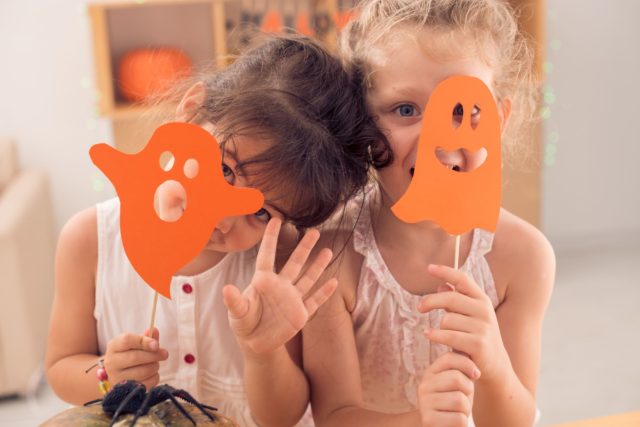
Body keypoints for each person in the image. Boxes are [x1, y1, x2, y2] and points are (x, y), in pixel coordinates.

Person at [45, 34, 390, 427]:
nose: (223, 219)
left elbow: (280, 417)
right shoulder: (90, 239)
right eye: (225, 171)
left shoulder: (279, 267)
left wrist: (263, 351)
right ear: (191, 112)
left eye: (260, 212)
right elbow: (60, 367)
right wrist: (108, 373)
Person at [240, 1, 555, 426]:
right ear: (364, 126)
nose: (435, 138)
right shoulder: (334, 256)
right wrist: (419, 419)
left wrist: (494, 364)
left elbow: (514, 420)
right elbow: (334, 415)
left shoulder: (523, 258)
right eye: (405, 110)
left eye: (463, 109)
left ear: (498, 120)